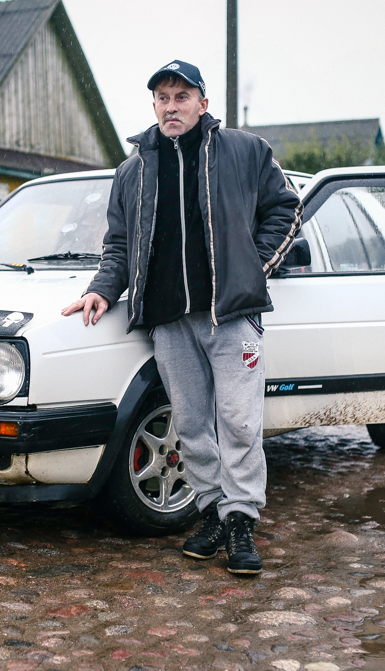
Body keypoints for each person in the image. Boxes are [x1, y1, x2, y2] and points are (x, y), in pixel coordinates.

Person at [62, 60, 301, 574]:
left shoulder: (245, 151)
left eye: (181, 97)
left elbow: (286, 208)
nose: (172, 107)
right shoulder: (133, 170)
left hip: (230, 315)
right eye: (163, 98)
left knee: (239, 421)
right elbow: (119, 243)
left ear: (203, 103)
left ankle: (241, 523)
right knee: (191, 425)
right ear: (155, 105)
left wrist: (251, 268)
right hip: (169, 320)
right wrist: (102, 289)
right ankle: (213, 510)